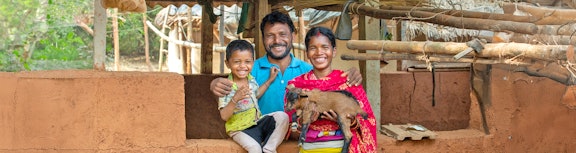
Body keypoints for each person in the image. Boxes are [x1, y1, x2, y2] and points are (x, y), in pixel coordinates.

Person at [210, 11, 363, 116]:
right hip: (261, 140)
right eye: (270, 36)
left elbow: (332, 90)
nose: (277, 41)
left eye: (283, 34)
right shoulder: (249, 70)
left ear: (293, 36)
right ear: (263, 39)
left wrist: (352, 76)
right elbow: (230, 87)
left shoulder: (308, 71)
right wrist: (215, 83)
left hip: (299, 143)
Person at [286, 26, 377, 153]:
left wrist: (347, 120)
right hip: (309, 149)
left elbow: (368, 120)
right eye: (313, 48)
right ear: (307, 53)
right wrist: (305, 121)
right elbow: (289, 124)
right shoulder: (296, 86)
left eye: (325, 47)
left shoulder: (348, 82)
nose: (319, 52)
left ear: (334, 51)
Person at [218, 39, 288, 153]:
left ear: (253, 63)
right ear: (227, 63)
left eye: (247, 61)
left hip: (256, 123)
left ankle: (269, 149)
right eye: (237, 62)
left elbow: (256, 95)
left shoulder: (251, 80)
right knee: (255, 149)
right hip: (239, 129)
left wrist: (269, 81)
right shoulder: (226, 87)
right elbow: (224, 116)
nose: (242, 66)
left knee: (282, 117)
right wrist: (235, 98)